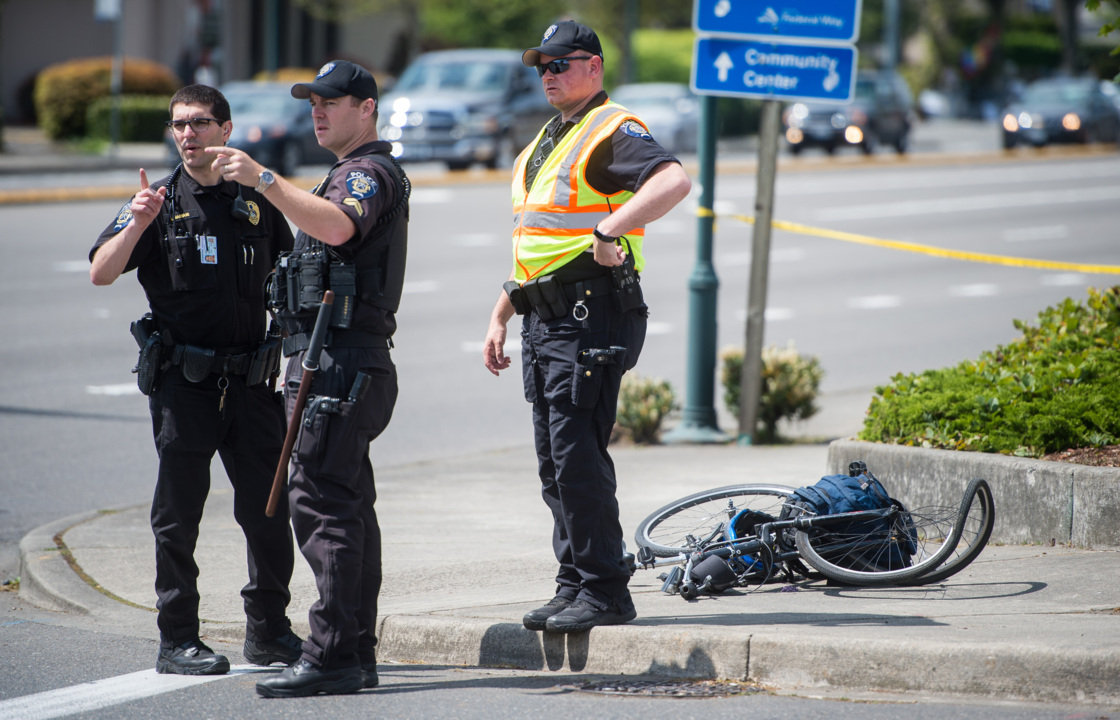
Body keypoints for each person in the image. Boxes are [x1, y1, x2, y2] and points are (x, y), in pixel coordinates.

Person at [207, 60, 409, 698]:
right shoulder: (345, 170)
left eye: (332, 101)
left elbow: (339, 225)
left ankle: (332, 656)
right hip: (335, 360)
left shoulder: (369, 173)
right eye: (313, 101)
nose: (318, 110)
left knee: (323, 510)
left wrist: (264, 178)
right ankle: (353, 650)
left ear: (366, 108)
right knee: (345, 509)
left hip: (341, 362)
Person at [483, 22, 692, 633]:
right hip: (545, 318)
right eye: (541, 67)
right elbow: (541, 245)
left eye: (561, 64)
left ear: (594, 67)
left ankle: (605, 589)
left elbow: (673, 180)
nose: (548, 74)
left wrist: (610, 231)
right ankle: (574, 579)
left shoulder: (611, 128)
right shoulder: (545, 140)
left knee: (577, 456)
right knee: (555, 461)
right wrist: (503, 308)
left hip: (590, 316)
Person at [90, 85, 303, 675]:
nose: (188, 134)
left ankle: (268, 631)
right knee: (179, 515)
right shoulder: (157, 200)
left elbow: (293, 275)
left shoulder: (255, 201)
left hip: (252, 382)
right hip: (186, 384)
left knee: (266, 508)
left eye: (201, 123)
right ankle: (177, 638)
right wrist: (135, 225)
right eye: (179, 124)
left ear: (226, 130)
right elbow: (100, 272)